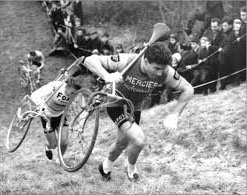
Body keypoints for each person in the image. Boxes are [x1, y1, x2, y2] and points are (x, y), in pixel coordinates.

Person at [83, 42, 194, 182]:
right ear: (146, 61)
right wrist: (106, 76)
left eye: (163, 69)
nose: (160, 73)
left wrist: (174, 114)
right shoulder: (127, 61)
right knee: (139, 140)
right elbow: (89, 60)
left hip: (134, 107)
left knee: (122, 143)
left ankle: (105, 166)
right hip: (116, 104)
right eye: (156, 68)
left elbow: (188, 89)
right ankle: (131, 168)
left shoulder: (166, 72)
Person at [30, 76, 83, 160]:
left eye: (74, 93)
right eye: (72, 92)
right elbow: (34, 95)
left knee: (64, 142)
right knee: (53, 145)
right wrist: (41, 106)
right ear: (66, 86)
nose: (73, 95)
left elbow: (82, 106)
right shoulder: (56, 86)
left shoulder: (76, 93)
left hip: (60, 116)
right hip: (47, 117)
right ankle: (47, 146)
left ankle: (60, 159)